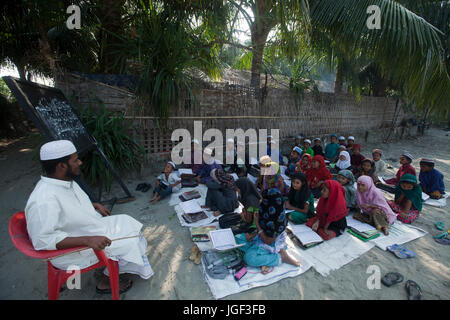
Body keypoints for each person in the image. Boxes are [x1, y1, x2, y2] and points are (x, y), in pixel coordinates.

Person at [25, 140, 153, 295]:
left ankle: (117, 268)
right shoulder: (43, 200)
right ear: (61, 166)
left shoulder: (63, 181)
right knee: (132, 239)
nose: (80, 162)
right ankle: (105, 282)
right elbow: (42, 241)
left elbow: (69, 206)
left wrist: (93, 205)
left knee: (128, 221)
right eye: (75, 160)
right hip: (71, 252)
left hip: (83, 230)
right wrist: (88, 240)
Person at [235, 188, 301, 274]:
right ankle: (264, 260)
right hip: (261, 236)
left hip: (271, 243)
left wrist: (256, 223)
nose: (261, 200)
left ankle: (281, 257)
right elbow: (262, 227)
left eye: (263, 199)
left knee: (249, 258)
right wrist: (252, 235)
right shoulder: (267, 208)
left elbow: (268, 241)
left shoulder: (277, 220)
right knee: (237, 239)